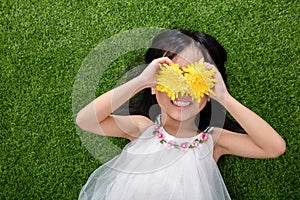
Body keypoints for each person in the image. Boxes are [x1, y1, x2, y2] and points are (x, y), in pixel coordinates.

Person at [76, 28, 286, 199]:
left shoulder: (213, 141)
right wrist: (140, 81)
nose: (183, 89)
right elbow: (85, 120)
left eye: (195, 77)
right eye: (173, 76)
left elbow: (274, 147)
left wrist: (225, 98)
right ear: (154, 85)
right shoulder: (142, 128)